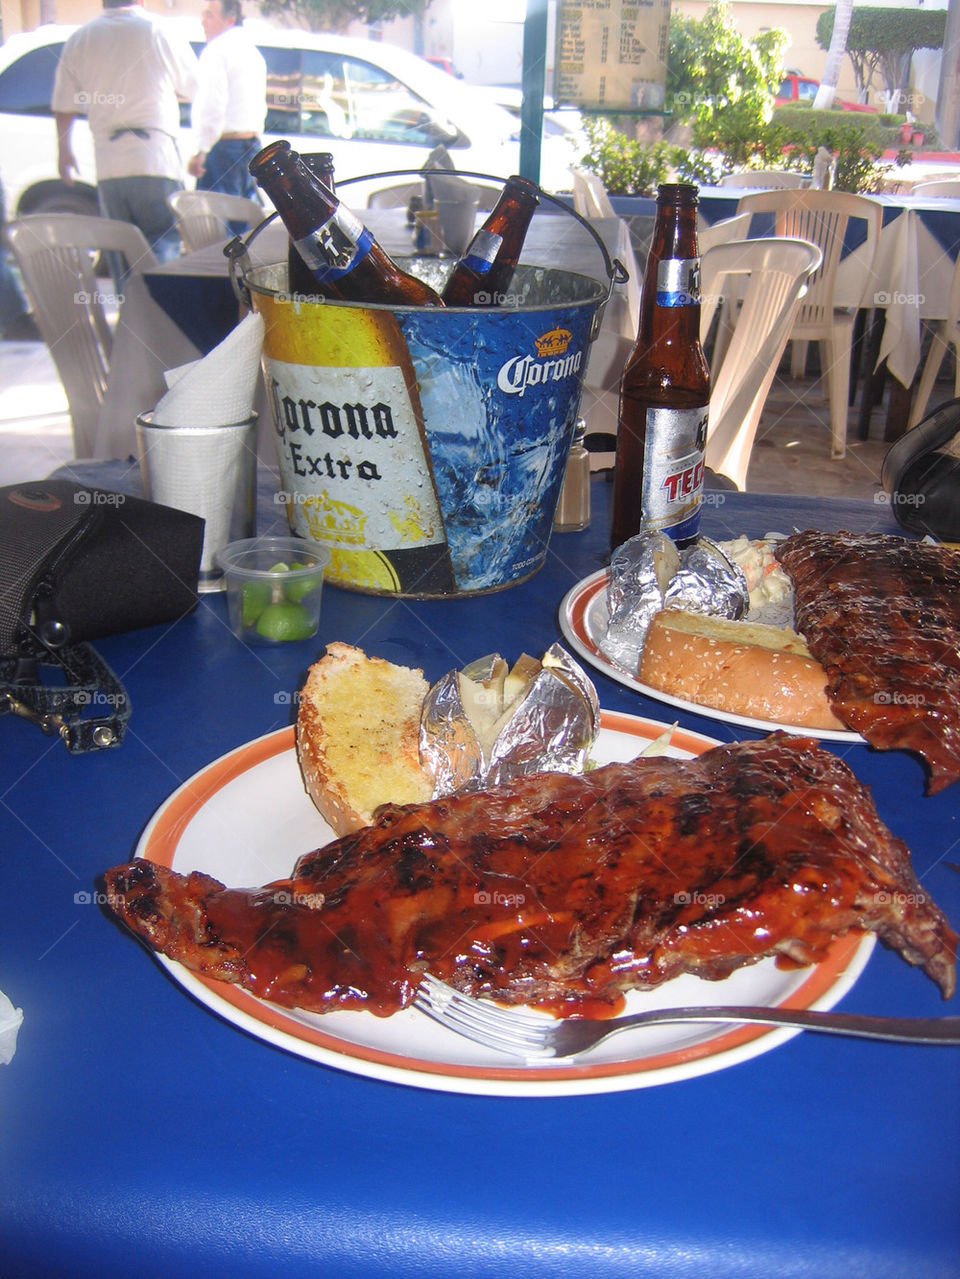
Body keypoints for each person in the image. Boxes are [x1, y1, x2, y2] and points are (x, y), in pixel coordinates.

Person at [52, 0, 198, 264]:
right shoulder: (159, 30)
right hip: (155, 159)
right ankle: (160, 305)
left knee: (122, 257)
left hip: (110, 165)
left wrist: (64, 152)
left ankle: (128, 304)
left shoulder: (81, 37)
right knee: (162, 253)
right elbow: (193, 87)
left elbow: (64, 104)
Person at [187, 0, 266, 202]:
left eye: (209, 15)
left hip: (224, 149)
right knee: (246, 223)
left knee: (220, 227)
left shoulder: (217, 50)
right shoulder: (253, 52)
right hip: (250, 146)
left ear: (230, 19)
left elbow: (212, 104)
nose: (203, 21)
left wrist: (201, 149)